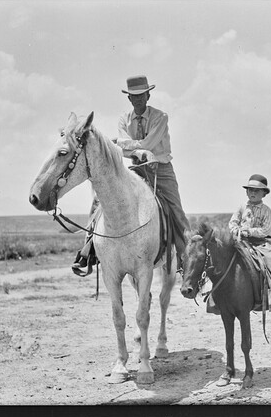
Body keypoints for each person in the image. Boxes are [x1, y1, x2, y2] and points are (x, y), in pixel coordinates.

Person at [72, 75, 190, 274]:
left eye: (141, 95)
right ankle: (88, 251)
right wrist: (132, 149)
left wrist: (124, 143)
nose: (138, 100)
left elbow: (147, 145)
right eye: (134, 96)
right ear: (129, 99)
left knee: (176, 210)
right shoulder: (123, 119)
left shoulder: (160, 117)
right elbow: (124, 151)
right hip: (136, 167)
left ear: (148, 95)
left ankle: (186, 256)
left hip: (160, 169)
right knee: (101, 200)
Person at [227, 174, 271, 311]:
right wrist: (235, 230)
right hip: (240, 241)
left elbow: (265, 230)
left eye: (256, 190)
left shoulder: (266, 211)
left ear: (264, 193)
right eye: (250, 190)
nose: (252, 193)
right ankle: (216, 292)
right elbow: (232, 222)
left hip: (259, 243)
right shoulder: (242, 207)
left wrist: (248, 232)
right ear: (246, 192)